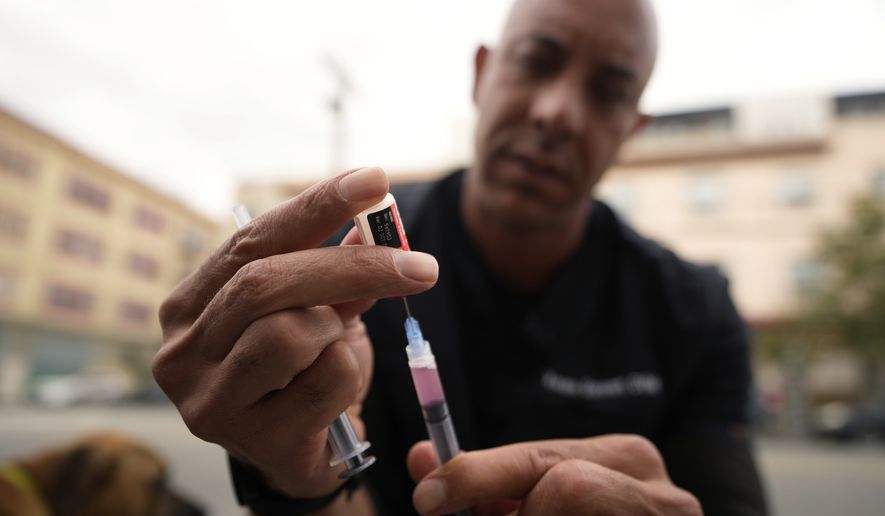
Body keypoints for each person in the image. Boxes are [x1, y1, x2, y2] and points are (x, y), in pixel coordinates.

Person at [153, 0, 768, 514]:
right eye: (536, 61)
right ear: (482, 73)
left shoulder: (693, 309)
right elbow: (322, 473)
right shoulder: (340, 272)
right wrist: (300, 475)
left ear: (631, 130)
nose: (556, 113)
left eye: (607, 93)